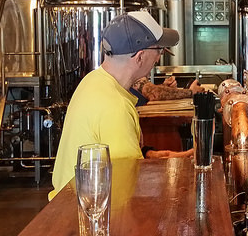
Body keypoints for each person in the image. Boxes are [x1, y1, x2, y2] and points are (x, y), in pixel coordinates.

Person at [50, 11, 193, 200]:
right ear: (140, 57)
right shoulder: (115, 107)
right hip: (84, 214)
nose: (159, 58)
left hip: (67, 203)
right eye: (158, 51)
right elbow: (127, 186)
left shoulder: (93, 81)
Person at [131, 74, 204, 106]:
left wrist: (164, 87)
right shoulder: (133, 68)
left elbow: (148, 91)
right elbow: (154, 94)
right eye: (159, 51)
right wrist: (191, 92)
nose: (158, 59)